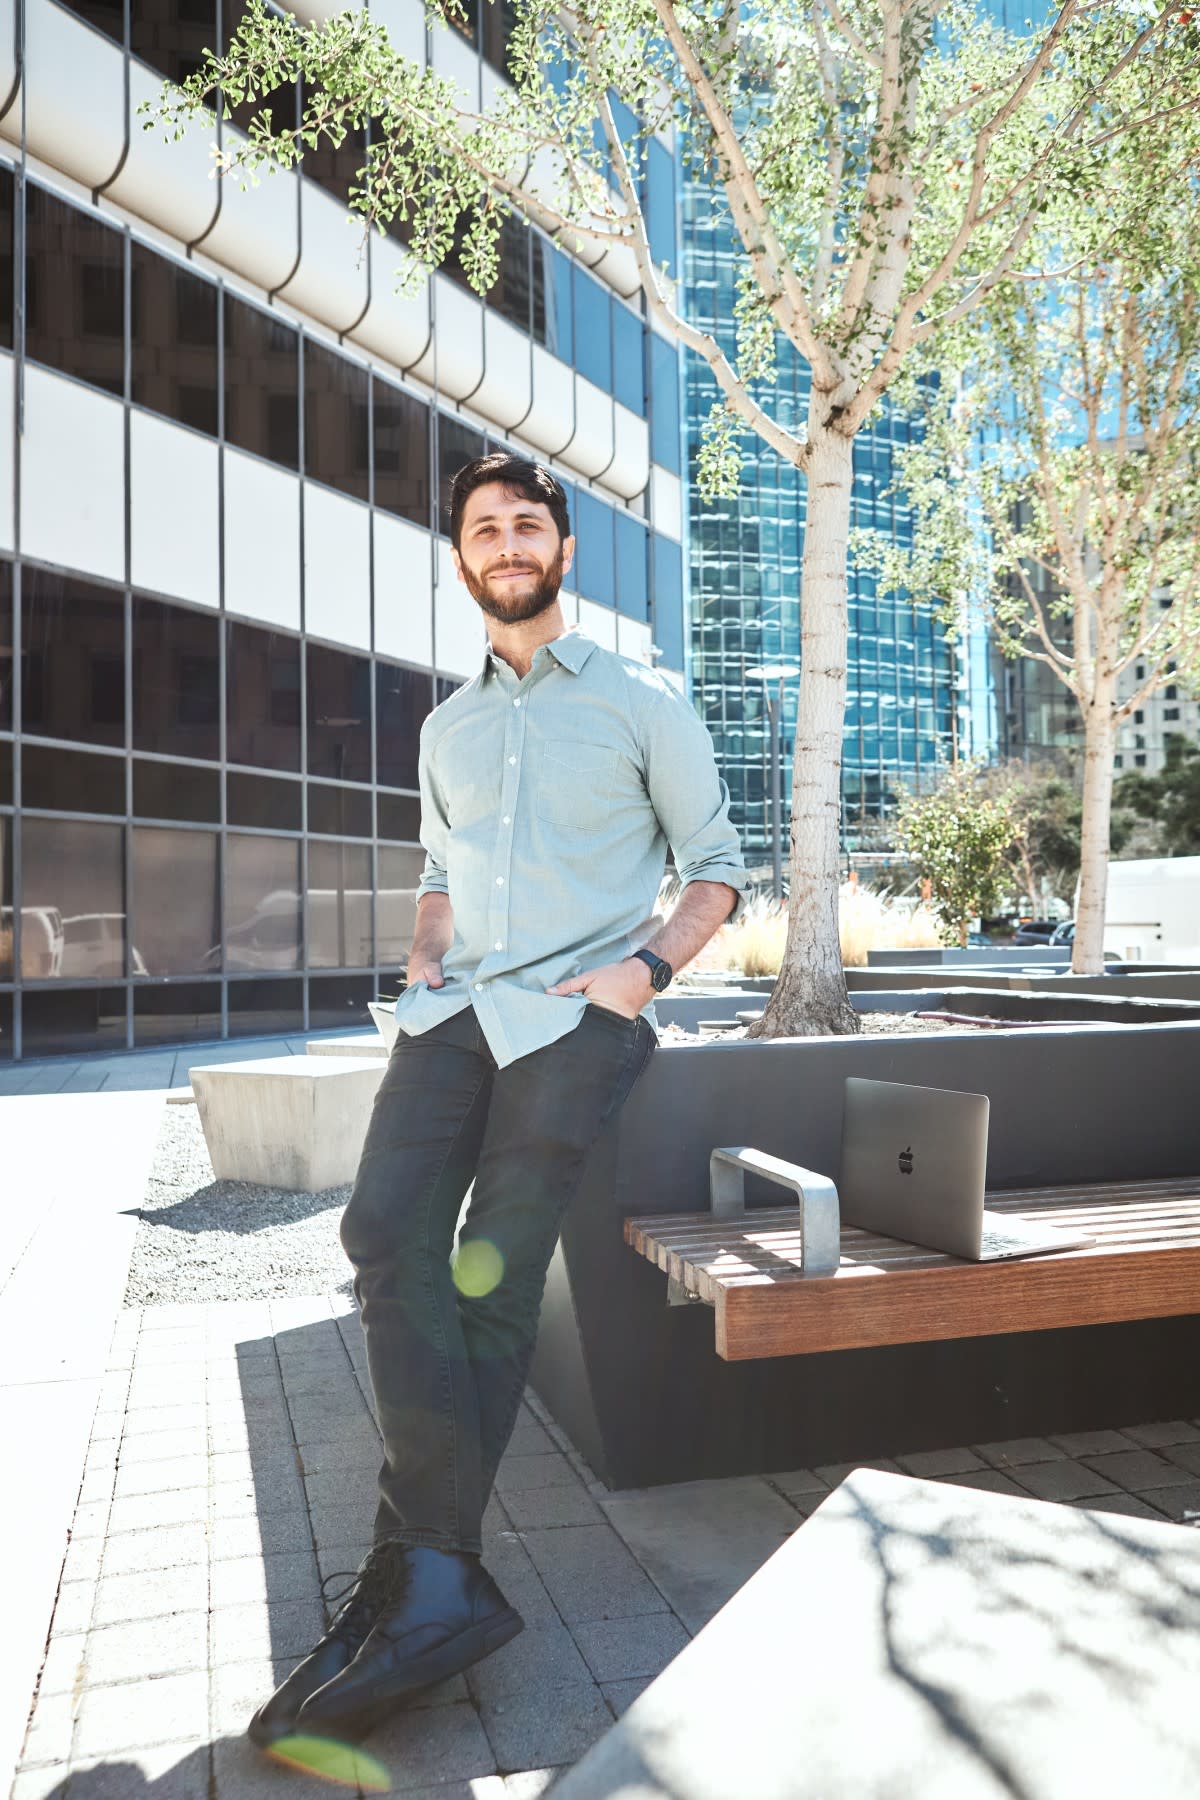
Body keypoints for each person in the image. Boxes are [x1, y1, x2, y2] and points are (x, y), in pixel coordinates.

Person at [250, 452, 749, 1749]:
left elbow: (717, 868)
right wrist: (424, 949)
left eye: (531, 524)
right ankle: (433, 1570)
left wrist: (639, 976)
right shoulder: (447, 726)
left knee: (487, 1275)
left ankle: (414, 1573)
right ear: (461, 556)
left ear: (563, 553)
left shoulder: (644, 701)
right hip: (453, 1013)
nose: (510, 541)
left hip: (579, 1022)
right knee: (380, 1234)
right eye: (487, 526)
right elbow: (434, 860)